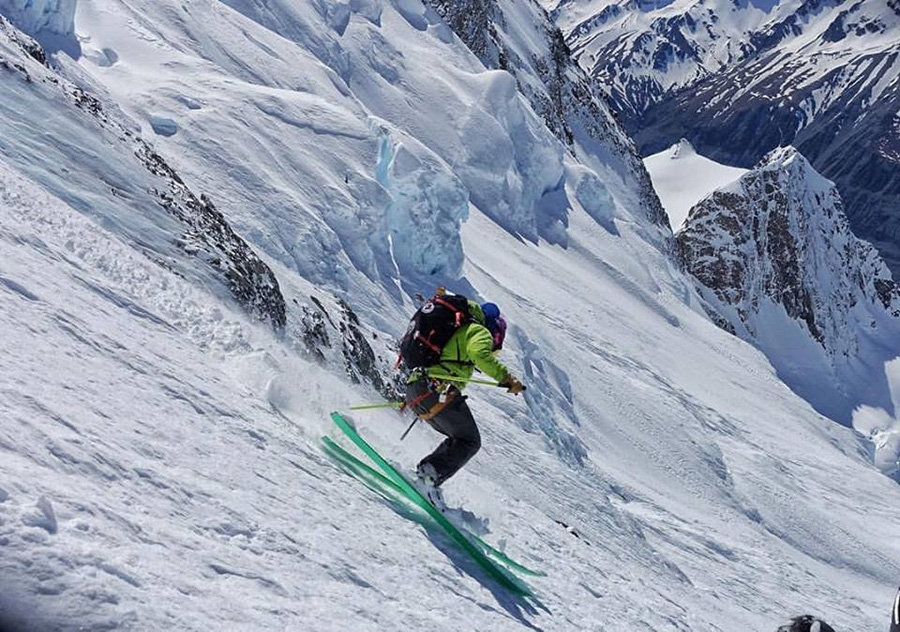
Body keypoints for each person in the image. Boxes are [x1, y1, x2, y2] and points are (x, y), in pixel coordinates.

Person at [405, 300, 525, 506]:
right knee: (469, 441)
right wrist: (507, 378)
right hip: (436, 390)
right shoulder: (479, 331)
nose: (493, 350)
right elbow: (479, 354)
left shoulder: (458, 330)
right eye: (495, 348)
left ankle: (428, 475)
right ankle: (428, 476)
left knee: (460, 438)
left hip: (417, 389)